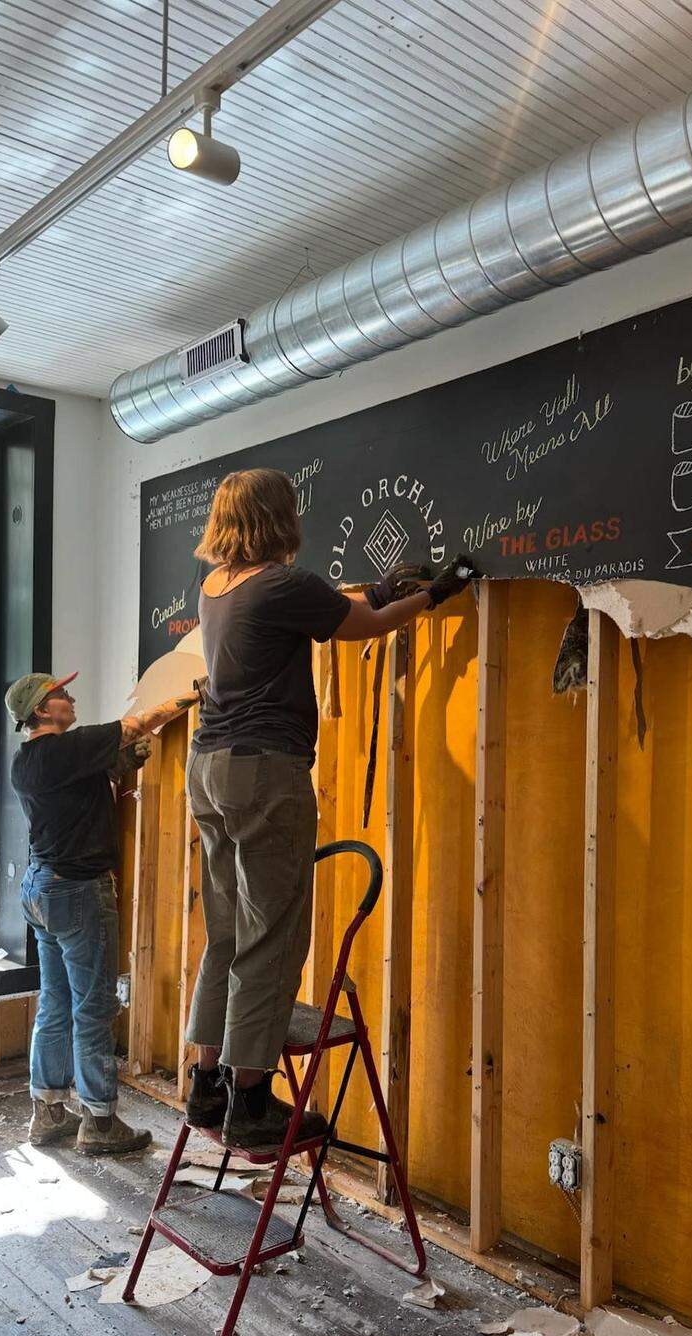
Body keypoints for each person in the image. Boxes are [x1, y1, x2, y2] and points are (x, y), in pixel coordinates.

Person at [183, 466, 477, 1150]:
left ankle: (207, 1085)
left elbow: (333, 606)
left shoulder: (217, 586)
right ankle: (252, 1100)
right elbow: (366, 623)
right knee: (273, 933)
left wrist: (376, 589)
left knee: (225, 932)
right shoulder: (284, 583)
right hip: (264, 772)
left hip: (209, 769)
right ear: (276, 517)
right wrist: (434, 594)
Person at [7, 671, 199, 1155]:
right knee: (93, 1008)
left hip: (41, 887)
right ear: (41, 710)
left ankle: (48, 1112)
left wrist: (119, 764)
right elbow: (141, 722)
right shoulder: (68, 749)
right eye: (59, 694)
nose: (70, 697)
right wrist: (193, 693)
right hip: (77, 889)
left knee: (55, 1001)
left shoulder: (27, 761)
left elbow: (83, 784)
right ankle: (99, 1120)